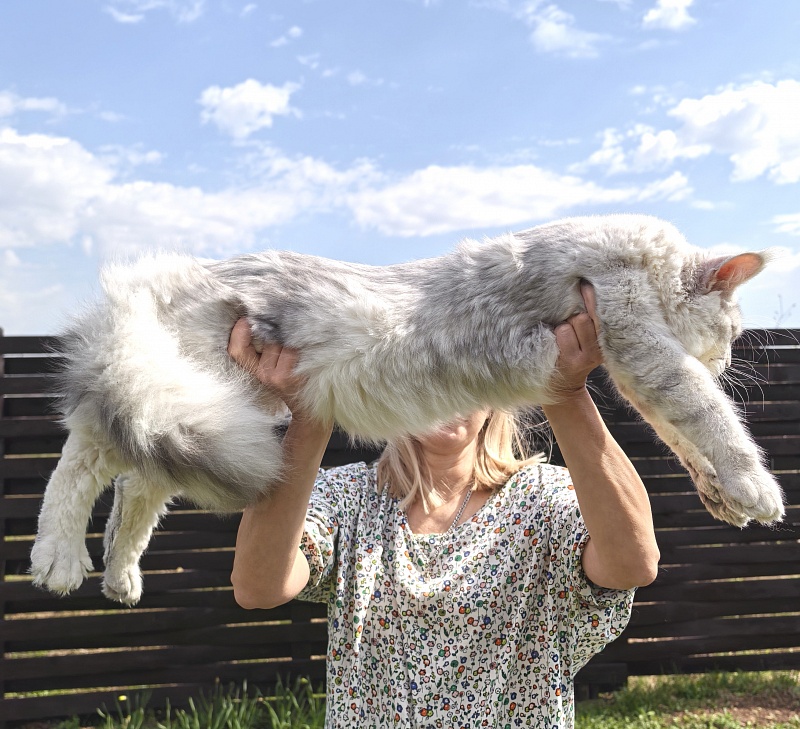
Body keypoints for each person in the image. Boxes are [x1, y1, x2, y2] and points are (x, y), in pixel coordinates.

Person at [227, 284, 660, 728]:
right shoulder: (351, 498)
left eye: (464, 373)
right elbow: (258, 587)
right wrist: (310, 414)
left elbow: (633, 563)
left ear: (495, 394)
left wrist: (564, 392)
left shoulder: (543, 500)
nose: (445, 391)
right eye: (424, 371)